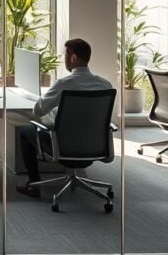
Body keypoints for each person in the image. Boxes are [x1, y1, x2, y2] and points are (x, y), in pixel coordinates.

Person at [16, 38, 113, 197]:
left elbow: (38, 110)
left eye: (65, 56)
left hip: (63, 148)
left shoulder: (63, 84)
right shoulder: (105, 85)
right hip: (95, 148)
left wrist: (50, 105)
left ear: (73, 58)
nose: (64, 60)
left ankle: (34, 185)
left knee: (26, 131)